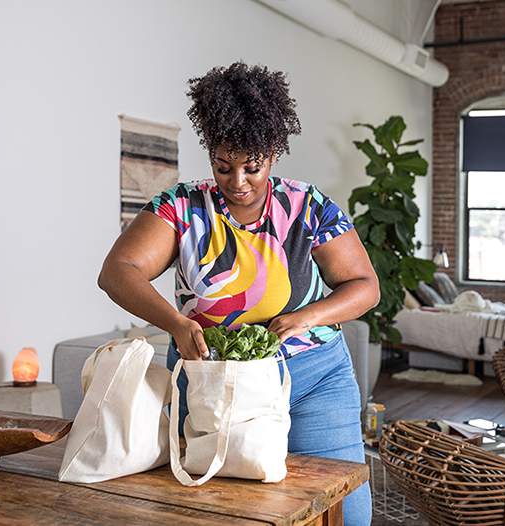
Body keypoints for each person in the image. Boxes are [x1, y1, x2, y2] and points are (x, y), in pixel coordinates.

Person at [98, 61, 379, 526]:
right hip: (212, 382)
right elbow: (116, 271)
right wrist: (177, 323)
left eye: (252, 167)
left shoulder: (308, 206)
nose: (237, 182)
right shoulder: (181, 207)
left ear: (274, 152)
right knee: (222, 511)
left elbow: (365, 287)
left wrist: (305, 318)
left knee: (345, 512)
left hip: (313, 378)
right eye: (223, 166)